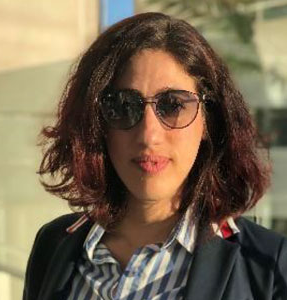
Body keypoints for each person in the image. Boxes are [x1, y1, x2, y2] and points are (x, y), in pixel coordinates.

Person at [23, 12, 287, 300]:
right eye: (124, 106)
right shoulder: (54, 245)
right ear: (97, 124)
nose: (148, 135)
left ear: (208, 121)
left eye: (173, 105)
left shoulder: (269, 266)